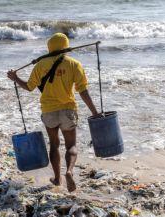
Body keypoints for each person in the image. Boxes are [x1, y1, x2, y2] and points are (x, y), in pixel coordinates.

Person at [7, 33, 99, 192]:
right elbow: (83, 91)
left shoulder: (41, 65)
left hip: (49, 110)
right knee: (71, 145)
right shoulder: (74, 64)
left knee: (54, 144)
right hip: (68, 110)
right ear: (66, 46)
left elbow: (29, 87)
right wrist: (95, 112)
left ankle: (57, 179)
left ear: (50, 48)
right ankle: (69, 171)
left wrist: (15, 77)